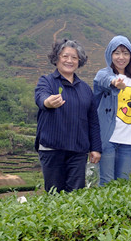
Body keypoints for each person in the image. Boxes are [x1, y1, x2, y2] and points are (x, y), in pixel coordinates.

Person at [34, 38, 101, 192]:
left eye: (74, 57)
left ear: (79, 61)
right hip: (52, 148)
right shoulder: (47, 81)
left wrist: (96, 148)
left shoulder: (85, 89)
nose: (69, 60)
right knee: (54, 194)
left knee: (76, 194)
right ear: (56, 58)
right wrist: (48, 102)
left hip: (78, 151)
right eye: (65, 56)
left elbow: (93, 121)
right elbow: (40, 97)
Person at [93, 36, 131, 185]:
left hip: (128, 141)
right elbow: (103, 80)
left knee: (123, 183)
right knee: (106, 182)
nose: (121, 57)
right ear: (110, 54)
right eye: (116, 53)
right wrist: (114, 82)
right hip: (109, 139)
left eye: (125, 53)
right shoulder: (104, 74)